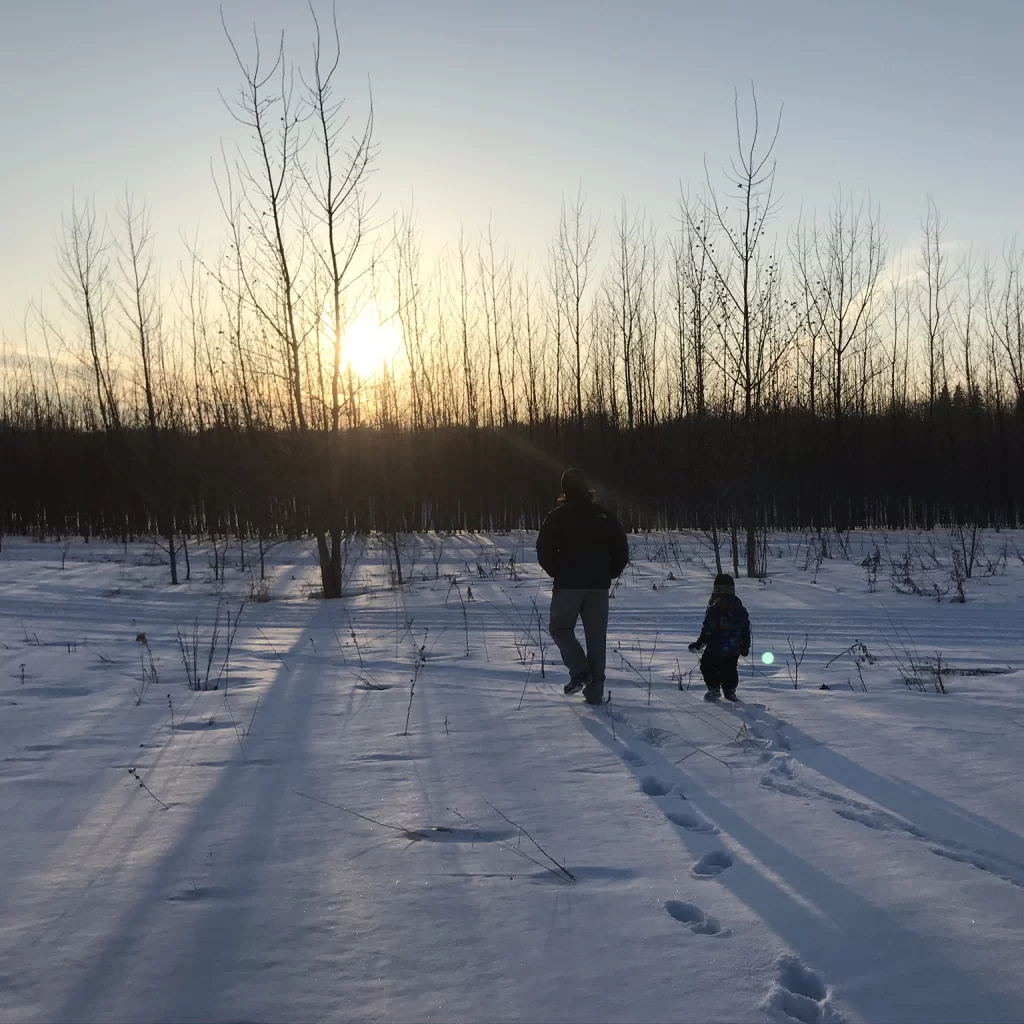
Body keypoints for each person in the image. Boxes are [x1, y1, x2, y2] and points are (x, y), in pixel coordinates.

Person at [537, 468, 629, 706]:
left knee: (560, 628)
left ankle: (579, 670)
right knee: (596, 640)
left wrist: (559, 571)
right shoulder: (605, 515)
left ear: (564, 489)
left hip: (569, 583)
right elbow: (621, 548)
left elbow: (544, 550)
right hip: (598, 586)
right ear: (587, 488)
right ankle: (595, 695)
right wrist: (609, 573)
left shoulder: (558, 516)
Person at [688, 574, 751, 702]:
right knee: (729, 668)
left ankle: (714, 689)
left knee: (708, 665)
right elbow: (745, 629)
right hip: (734, 648)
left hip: (715, 647)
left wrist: (699, 644)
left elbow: (708, 629)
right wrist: (745, 646)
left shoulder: (714, 608)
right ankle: (730, 691)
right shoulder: (740, 608)